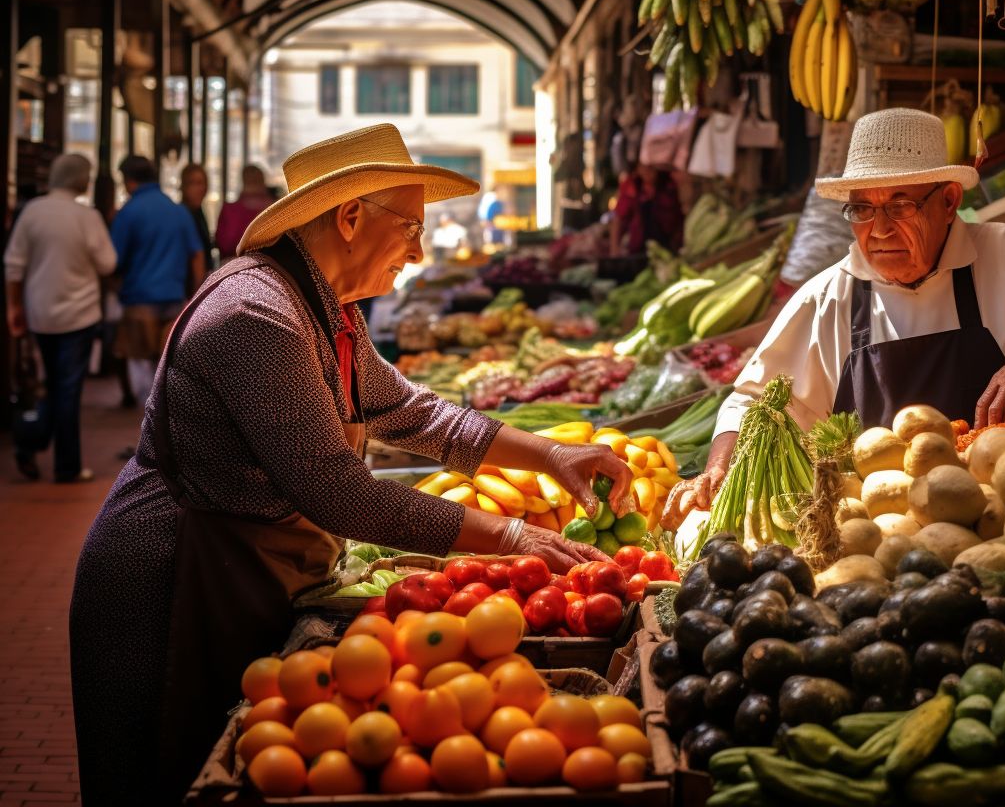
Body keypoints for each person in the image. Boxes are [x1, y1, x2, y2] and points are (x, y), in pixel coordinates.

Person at [72, 124, 637, 804]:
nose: (418, 251)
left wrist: (550, 454)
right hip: (168, 578)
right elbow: (341, 495)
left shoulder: (327, 310)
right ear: (349, 218)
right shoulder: (256, 316)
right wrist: (510, 538)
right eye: (411, 228)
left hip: (238, 562)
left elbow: (415, 414)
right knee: (165, 769)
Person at [663, 109, 1005, 528]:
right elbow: (752, 401)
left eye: (899, 205)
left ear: (948, 201)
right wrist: (718, 469)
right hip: (881, 536)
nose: (878, 230)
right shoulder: (830, 297)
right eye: (862, 209)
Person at [4, 154, 117, 482]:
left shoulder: (31, 213)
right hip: (79, 315)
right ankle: (66, 464)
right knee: (67, 389)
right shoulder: (86, 216)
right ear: (81, 179)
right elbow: (108, 263)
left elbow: (14, 265)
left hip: (40, 313)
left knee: (53, 385)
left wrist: (14, 307)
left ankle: (31, 440)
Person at [110, 155, 205, 408]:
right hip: (174, 300)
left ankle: (147, 436)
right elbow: (197, 255)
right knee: (167, 373)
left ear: (129, 181)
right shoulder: (178, 211)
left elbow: (114, 260)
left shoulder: (129, 212)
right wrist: (195, 293)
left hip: (139, 301)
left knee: (142, 376)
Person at [610, 165, 683, 256]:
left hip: (667, 249)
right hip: (637, 252)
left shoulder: (670, 186)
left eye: (651, 167)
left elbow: (679, 219)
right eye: (643, 166)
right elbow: (618, 219)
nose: (648, 170)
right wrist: (615, 249)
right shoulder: (631, 186)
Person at [215, 164, 277, 261]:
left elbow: (225, 245)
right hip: (267, 266)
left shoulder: (229, 210)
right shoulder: (274, 209)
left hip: (233, 266)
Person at [178, 162, 215, 268]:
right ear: (184, 186)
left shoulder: (199, 212)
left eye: (203, 183)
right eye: (194, 183)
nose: (201, 188)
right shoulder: (183, 215)